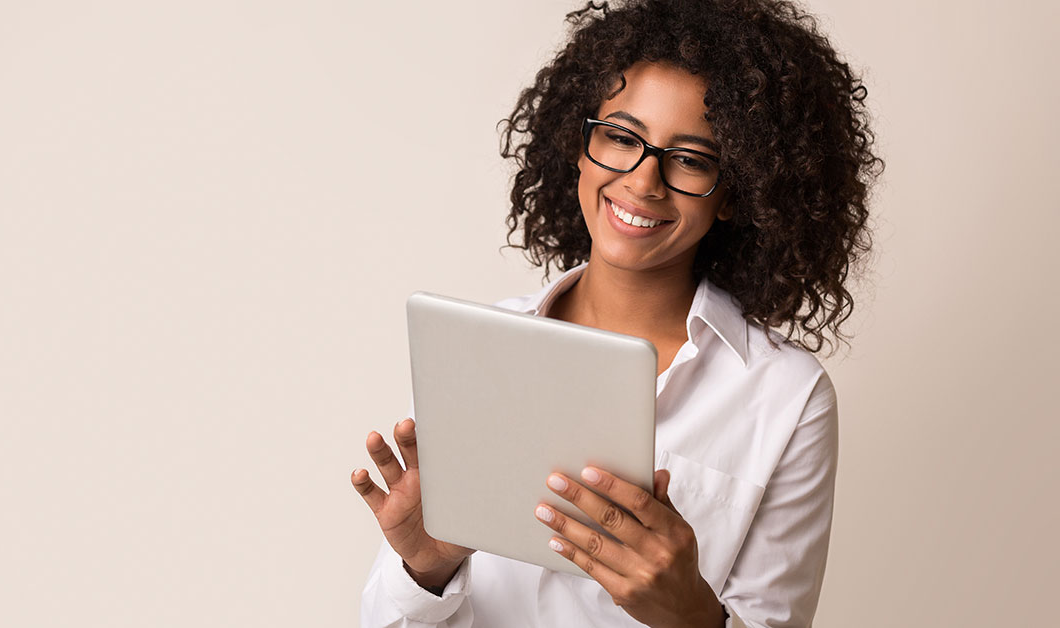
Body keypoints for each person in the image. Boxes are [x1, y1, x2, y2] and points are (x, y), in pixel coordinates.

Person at [351, 0, 881, 626]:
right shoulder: (481, 346)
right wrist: (425, 570)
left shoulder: (788, 396)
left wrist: (692, 614)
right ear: (578, 148)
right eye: (622, 137)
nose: (643, 181)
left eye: (690, 158)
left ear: (737, 191)